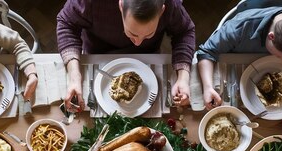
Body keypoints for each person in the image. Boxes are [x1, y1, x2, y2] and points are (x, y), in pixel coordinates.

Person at [56, 0, 196, 112]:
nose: (138, 43)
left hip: (149, 57)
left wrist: (183, 78)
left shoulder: (171, 4)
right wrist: (75, 77)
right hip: (98, 54)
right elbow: (66, 23)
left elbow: (185, 31)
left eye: (148, 35)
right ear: (121, 5)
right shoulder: (91, 2)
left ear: (162, 11)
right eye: (133, 33)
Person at [196, 7, 282, 110]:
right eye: (279, 56)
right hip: (238, 72)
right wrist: (208, 87)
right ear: (271, 37)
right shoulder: (239, 28)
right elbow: (206, 51)